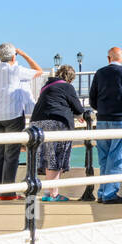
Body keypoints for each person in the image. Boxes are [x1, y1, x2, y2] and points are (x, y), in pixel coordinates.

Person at [0, 43, 44, 200]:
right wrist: (24, 54)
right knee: (11, 155)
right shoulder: (17, 70)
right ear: (13, 56)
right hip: (12, 114)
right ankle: (7, 193)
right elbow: (39, 71)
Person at [88, 47, 122, 204]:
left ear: (108, 58)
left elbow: (92, 98)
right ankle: (110, 194)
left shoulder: (99, 73)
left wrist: (101, 109)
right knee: (115, 157)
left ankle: (102, 192)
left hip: (102, 119)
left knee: (104, 157)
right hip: (121, 118)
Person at [30, 65, 85, 201]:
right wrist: (79, 115)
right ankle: (53, 194)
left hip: (37, 123)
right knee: (56, 157)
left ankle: (50, 192)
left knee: (48, 157)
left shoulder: (46, 86)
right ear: (70, 78)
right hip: (56, 122)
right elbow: (78, 107)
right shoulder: (67, 87)